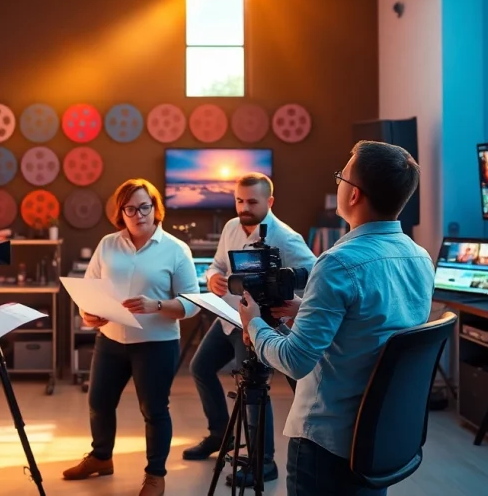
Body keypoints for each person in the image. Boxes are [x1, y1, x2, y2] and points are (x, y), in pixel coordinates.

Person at [237, 140, 434, 496]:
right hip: (378, 438)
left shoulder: (339, 262)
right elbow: (373, 327)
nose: (338, 183)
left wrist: (254, 323)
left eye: (341, 177)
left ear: (354, 195)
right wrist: (307, 309)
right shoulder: (419, 257)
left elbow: (296, 361)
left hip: (327, 445)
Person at [62, 178, 200, 496]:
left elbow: (193, 303)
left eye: (144, 207)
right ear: (121, 213)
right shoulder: (108, 244)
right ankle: (100, 457)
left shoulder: (176, 249)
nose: (138, 214)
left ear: (155, 208)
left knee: (154, 409)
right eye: (130, 209)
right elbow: (89, 288)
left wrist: (158, 305)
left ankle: (155, 474)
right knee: (99, 402)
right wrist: (87, 314)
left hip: (156, 343)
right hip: (110, 339)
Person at [183, 173, 317, 487]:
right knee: (200, 368)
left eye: (252, 202)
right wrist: (213, 278)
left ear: (269, 202)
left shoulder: (284, 236)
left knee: (254, 391)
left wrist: (284, 284)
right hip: (228, 315)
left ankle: (264, 463)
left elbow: (314, 271)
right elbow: (217, 265)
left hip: (259, 322)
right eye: (239, 200)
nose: (244, 207)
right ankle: (220, 436)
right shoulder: (231, 227)